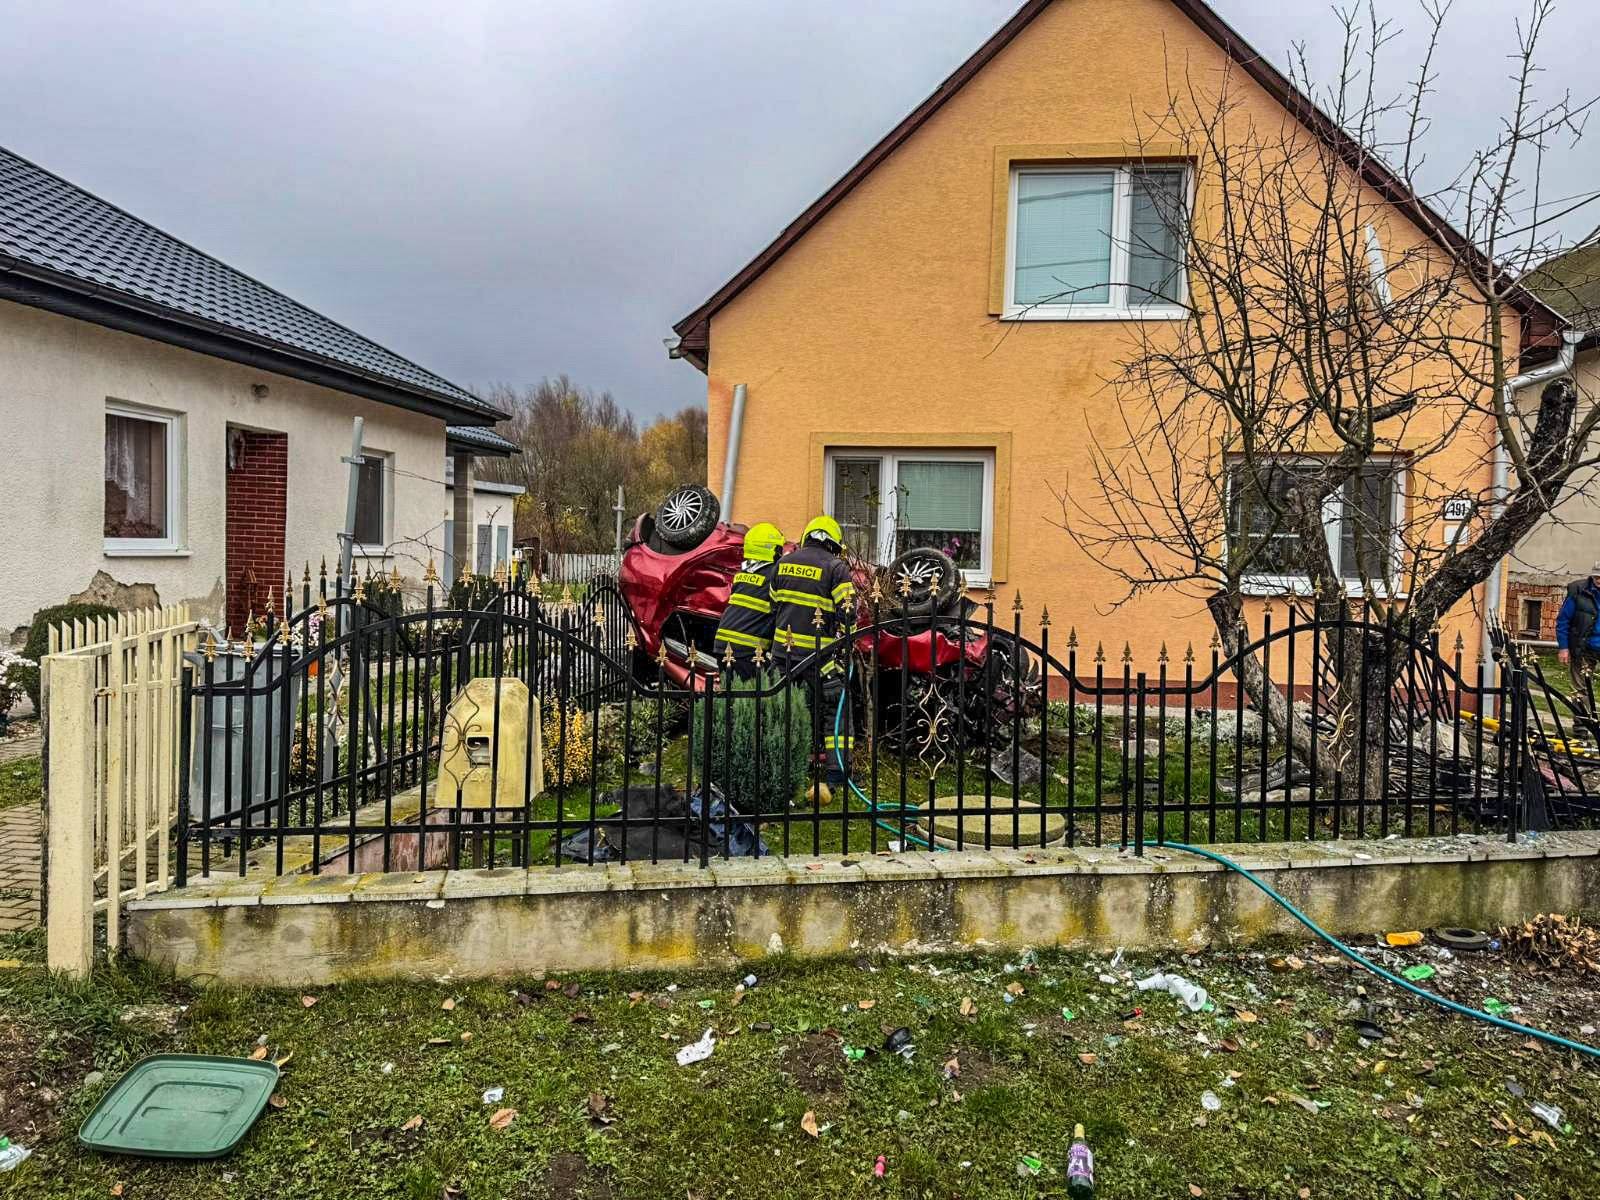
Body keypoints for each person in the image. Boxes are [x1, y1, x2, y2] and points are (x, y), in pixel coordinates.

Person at [770, 515, 858, 801]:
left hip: (783, 655)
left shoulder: (783, 563)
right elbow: (848, 612)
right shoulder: (835, 567)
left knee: (783, 713)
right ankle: (837, 774)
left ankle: (779, 771)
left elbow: (774, 605)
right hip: (820, 658)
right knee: (836, 711)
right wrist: (846, 646)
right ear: (833, 543)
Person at [713, 522, 785, 682]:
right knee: (765, 695)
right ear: (773, 549)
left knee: (732, 697)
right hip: (746, 649)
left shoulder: (742, 573)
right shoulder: (774, 575)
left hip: (722, 644)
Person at [1556, 564, 1600, 712]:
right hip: (1583, 646)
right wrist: (1563, 647)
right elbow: (1563, 620)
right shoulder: (1578, 591)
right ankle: (1581, 729)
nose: (1599, 580)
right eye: (1596, 577)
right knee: (1581, 690)